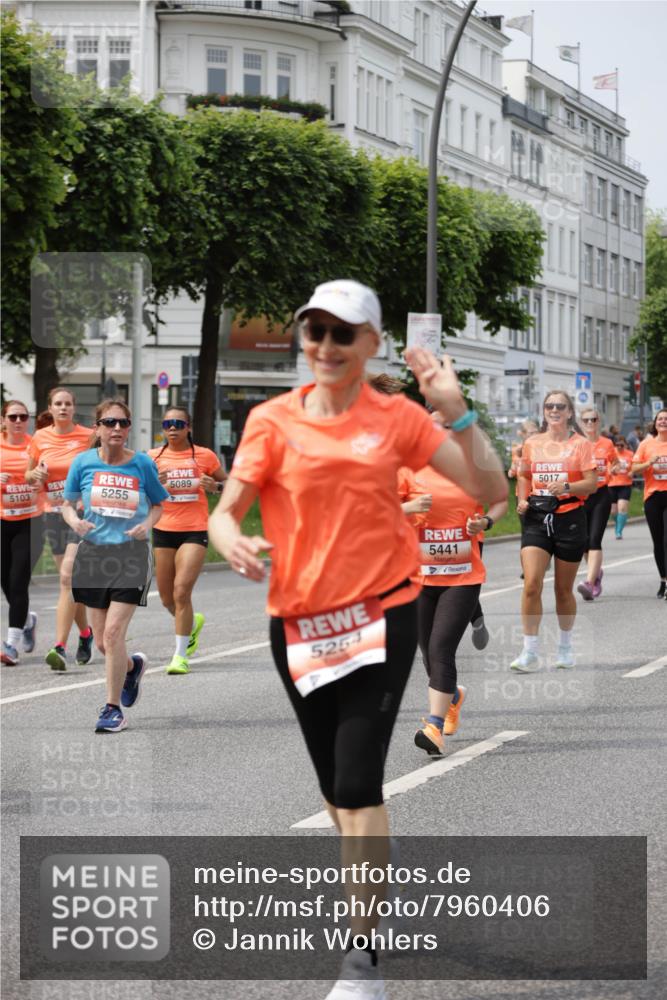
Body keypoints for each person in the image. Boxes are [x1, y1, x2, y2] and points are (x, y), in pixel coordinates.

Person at [208, 279, 507, 1000]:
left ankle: (361, 959)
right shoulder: (272, 421)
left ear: (371, 343)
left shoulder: (398, 418)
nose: (325, 347)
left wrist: (455, 410)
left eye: (343, 334)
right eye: (314, 331)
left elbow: (490, 490)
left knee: (355, 782)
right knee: (336, 796)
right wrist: (230, 543)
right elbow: (227, 511)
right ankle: (376, 858)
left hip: (380, 615)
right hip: (298, 621)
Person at [398, 413, 507, 756]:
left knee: (441, 648)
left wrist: (486, 521)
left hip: (462, 576)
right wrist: (409, 507)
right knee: (428, 653)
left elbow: (501, 499)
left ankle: (434, 727)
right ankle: (453, 697)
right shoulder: (407, 468)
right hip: (417, 577)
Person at [61, 398, 169, 732]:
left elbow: (159, 505)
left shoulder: (141, 465)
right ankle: (133, 666)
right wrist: (75, 523)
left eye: (123, 423)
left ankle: (112, 709)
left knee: (112, 632)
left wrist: (146, 525)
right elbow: (66, 504)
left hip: (131, 555)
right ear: (98, 428)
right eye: (110, 423)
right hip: (94, 555)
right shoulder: (83, 463)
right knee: (104, 644)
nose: (117, 429)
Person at [512, 390, 596, 672]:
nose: (554, 410)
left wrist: (568, 487)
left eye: (560, 406)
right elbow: (524, 475)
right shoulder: (532, 443)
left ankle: (565, 646)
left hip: (569, 517)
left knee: (562, 589)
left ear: (570, 412)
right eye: (550, 406)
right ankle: (529, 651)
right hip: (536, 517)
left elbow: (592, 484)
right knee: (532, 583)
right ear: (544, 411)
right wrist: (522, 499)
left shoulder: (581, 445)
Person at [148, 406, 227, 674]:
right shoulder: (152, 457)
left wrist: (215, 487)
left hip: (194, 529)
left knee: (182, 591)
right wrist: (152, 484)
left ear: (188, 428)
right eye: (168, 423)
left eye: (178, 424)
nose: (172, 428)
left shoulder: (205, 456)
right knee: (167, 598)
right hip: (163, 530)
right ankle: (192, 625)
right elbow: (140, 493)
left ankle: (180, 656)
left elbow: (230, 485)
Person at [26, 387, 93, 670]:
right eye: (58, 404)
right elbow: (29, 476)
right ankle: (86, 634)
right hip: (52, 514)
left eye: (67, 403)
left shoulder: (89, 436)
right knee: (70, 583)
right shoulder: (40, 437)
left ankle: (59, 647)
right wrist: (36, 475)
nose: (63, 408)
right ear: (50, 409)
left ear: (73, 408)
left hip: (79, 515)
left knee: (67, 579)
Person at [1, 401, 44, 665]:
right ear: (3, 420)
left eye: (23, 416)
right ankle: (28, 620)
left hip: (31, 521)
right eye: (13, 416)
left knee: (18, 581)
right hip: (2, 521)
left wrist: (41, 480)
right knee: (5, 580)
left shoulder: (36, 445)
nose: (18, 420)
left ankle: (11, 644)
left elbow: (52, 474)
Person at [577, 407, 619, 601]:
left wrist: (616, 467)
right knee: (583, 541)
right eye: (586, 420)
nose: (590, 423)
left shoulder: (607, 443)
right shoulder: (576, 444)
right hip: (582, 496)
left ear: (599, 421)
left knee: (594, 539)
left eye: (593, 420)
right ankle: (597, 573)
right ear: (580, 423)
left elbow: (616, 462)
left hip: (602, 494)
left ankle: (589, 582)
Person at [632, 408, 667, 598]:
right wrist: (648, 463)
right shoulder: (646, 445)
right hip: (652, 497)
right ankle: (663, 579)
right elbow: (633, 469)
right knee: (658, 542)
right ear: (655, 423)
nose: (663, 421)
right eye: (660, 419)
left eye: (666, 419)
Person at [609, 435, 635, 540]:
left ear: (625, 444)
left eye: (621, 445)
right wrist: (611, 470)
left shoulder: (630, 454)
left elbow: (634, 466)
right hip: (612, 484)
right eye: (617, 445)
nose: (619, 447)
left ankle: (618, 531)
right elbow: (606, 468)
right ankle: (620, 522)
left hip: (625, 484)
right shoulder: (611, 454)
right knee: (613, 511)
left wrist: (632, 472)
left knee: (622, 508)